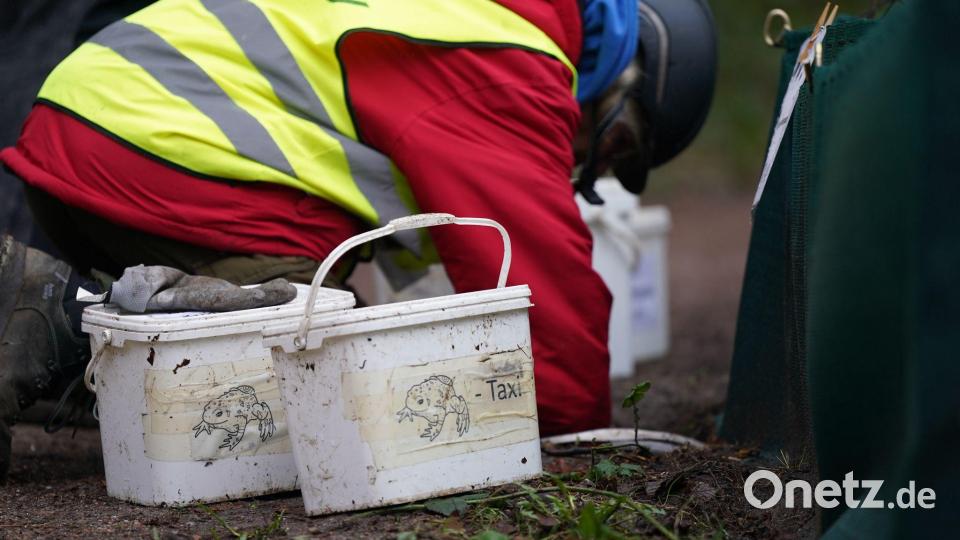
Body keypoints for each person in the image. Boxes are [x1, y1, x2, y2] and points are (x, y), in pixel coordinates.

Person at [0, 0, 715, 479]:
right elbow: (545, 307)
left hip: (108, 132)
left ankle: (91, 342)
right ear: (621, 60)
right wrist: (575, 425)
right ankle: (51, 315)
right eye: (614, 141)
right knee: (324, 358)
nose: (588, 160)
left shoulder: (465, 15)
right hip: (151, 148)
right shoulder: (504, 59)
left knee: (326, 334)